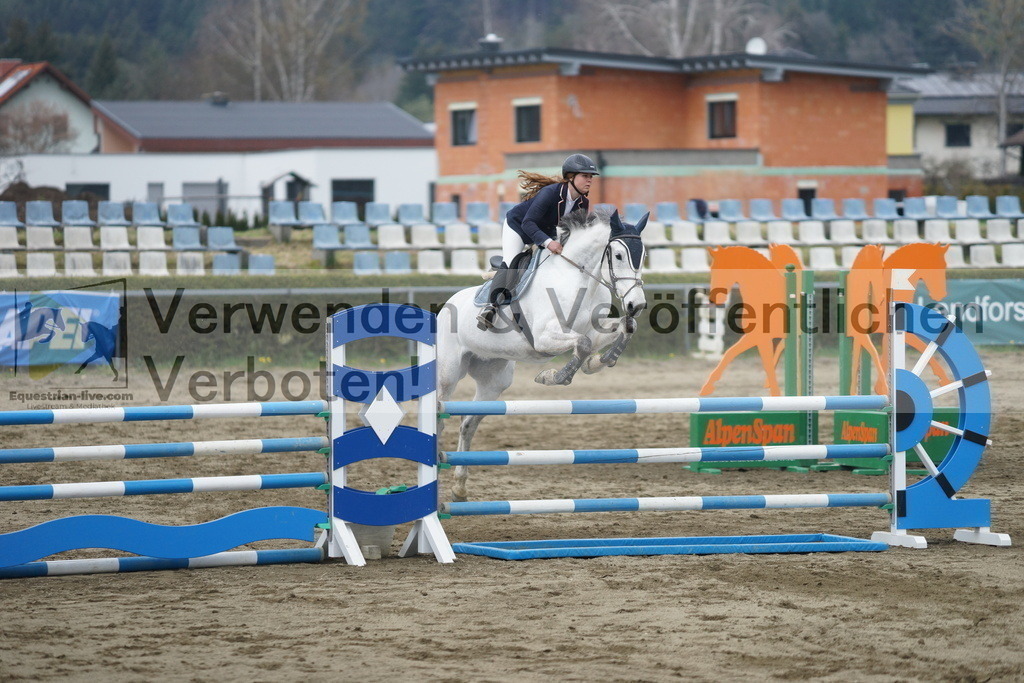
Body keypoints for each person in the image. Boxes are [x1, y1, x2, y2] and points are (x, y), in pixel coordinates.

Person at [476, 153, 600, 330]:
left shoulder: (583, 203)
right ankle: (491, 307)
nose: (589, 180)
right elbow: (528, 222)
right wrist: (549, 243)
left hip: (544, 232)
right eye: (585, 176)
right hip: (518, 226)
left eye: (591, 177)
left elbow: (573, 232)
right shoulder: (550, 193)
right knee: (512, 262)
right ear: (570, 177)